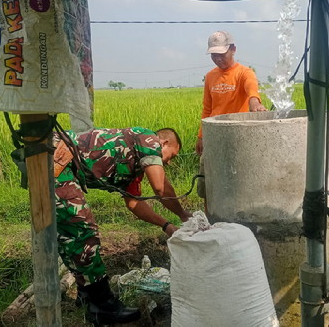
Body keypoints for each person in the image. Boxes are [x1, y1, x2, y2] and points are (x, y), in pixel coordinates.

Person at [53, 126, 191, 324]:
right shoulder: (149, 140)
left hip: (60, 161)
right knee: (84, 233)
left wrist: (167, 226)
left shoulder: (135, 160)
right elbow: (161, 187)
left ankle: (86, 294)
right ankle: (102, 305)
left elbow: (134, 203)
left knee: (69, 235)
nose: (169, 162)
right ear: (165, 143)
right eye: (171, 155)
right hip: (58, 157)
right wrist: (183, 214)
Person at [196, 31, 267, 208]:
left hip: (237, 137)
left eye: (221, 54)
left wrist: (254, 103)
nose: (218, 59)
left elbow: (252, 89)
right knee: (209, 181)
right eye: (214, 55)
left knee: (237, 182)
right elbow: (207, 108)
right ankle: (210, 216)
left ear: (233, 49)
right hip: (214, 135)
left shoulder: (244, 72)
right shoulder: (211, 76)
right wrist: (201, 135)